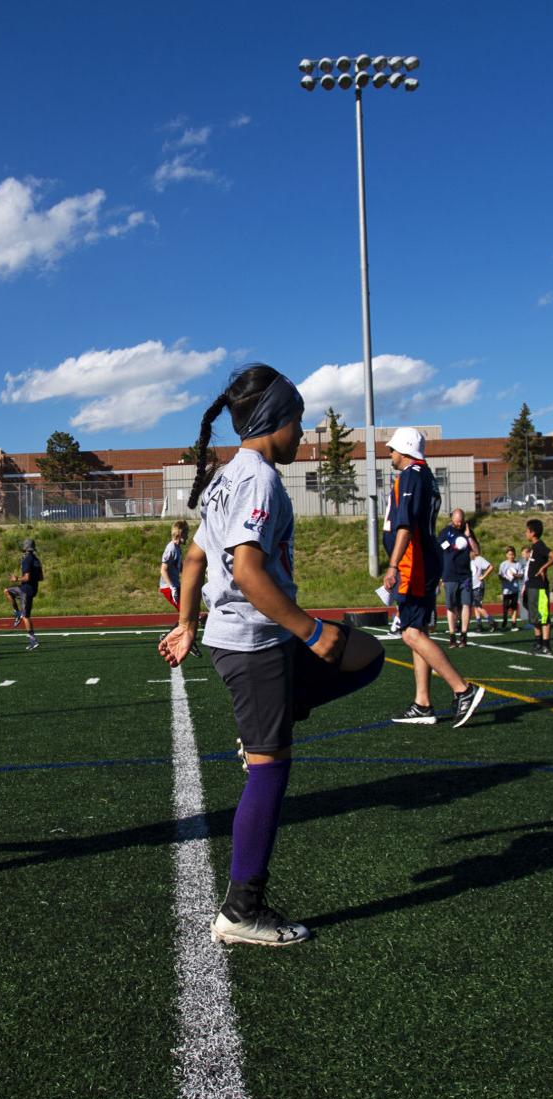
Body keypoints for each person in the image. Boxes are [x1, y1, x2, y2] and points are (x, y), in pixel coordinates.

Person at [158, 364, 386, 946]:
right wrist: (311, 631)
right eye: (298, 423)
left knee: (368, 654)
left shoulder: (225, 478)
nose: (302, 436)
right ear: (274, 421)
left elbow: (194, 562)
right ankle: (242, 910)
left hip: (256, 639)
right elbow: (247, 571)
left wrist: (186, 625)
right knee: (271, 769)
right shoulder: (256, 478)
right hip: (257, 643)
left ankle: (278, 715)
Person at [383, 427, 485, 727]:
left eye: (392, 449)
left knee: (410, 633)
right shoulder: (423, 475)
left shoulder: (411, 476)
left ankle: (462, 689)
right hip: (422, 561)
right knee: (418, 632)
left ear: (404, 450)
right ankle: (423, 703)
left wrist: (392, 564)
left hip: (414, 564)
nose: (390, 454)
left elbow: (405, 525)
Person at [437, 509, 479, 646]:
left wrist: (468, 537)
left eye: (461, 520)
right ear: (452, 519)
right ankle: (452, 634)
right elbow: (440, 547)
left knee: (466, 603)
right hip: (450, 574)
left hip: (465, 575)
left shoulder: (468, 531)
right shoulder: (446, 532)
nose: (459, 523)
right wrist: (453, 545)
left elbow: (477, 551)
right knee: (451, 605)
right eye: (457, 520)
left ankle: (464, 634)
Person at [521, 518, 553, 655]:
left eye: (527, 531)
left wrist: (543, 568)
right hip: (531, 585)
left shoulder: (540, 545)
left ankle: (546, 645)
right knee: (534, 616)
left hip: (539, 586)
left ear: (533, 533)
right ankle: (538, 642)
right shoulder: (534, 547)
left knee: (543, 616)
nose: (525, 533)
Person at [17, 539, 43, 652]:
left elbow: (26, 578)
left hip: (26, 590)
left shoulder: (27, 559)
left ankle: (33, 640)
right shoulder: (36, 560)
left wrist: (16, 579)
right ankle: (16, 612)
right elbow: (41, 577)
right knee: (7, 591)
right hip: (32, 589)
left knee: (25, 616)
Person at [160, 520, 188, 611]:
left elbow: (180, 567)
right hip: (169, 587)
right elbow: (163, 570)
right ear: (179, 534)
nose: (187, 536)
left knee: (188, 608)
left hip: (175, 585)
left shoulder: (177, 548)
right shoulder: (171, 549)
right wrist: (172, 587)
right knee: (185, 611)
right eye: (186, 534)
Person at [468, 547, 496, 633]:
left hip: (478, 586)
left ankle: (491, 621)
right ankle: (479, 624)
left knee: (478, 606)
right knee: (475, 606)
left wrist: (483, 576)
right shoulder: (468, 560)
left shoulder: (479, 559)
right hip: (471, 586)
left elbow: (490, 567)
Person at [498, 546, 523, 630]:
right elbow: (500, 575)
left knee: (514, 607)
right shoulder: (503, 564)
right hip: (506, 589)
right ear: (506, 555)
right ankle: (504, 621)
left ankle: (513, 623)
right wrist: (504, 578)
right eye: (509, 554)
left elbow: (521, 575)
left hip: (515, 589)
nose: (511, 556)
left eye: (513, 554)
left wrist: (515, 575)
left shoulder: (518, 564)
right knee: (505, 607)